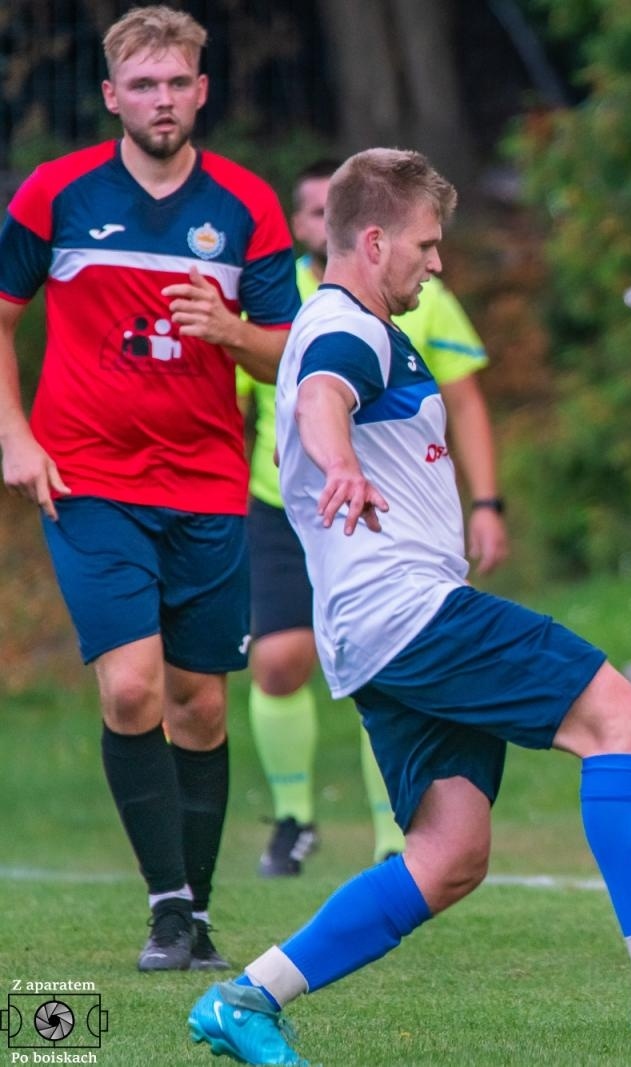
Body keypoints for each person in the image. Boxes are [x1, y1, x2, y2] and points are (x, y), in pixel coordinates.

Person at [186, 148, 631, 1064]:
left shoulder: (348, 320)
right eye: (426, 243)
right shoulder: (349, 328)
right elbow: (325, 394)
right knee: (619, 718)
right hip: (411, 612)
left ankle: (246, 996)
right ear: (373, 242)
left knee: (450, 852)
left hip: (375, 632)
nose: (439, 261)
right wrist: (336, 457)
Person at [0, 5, 298, 972]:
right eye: (144, 85)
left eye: (177, 83)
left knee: (199, 705)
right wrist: (13, 437)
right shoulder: (55, 194)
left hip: (210, 484)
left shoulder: (248, 204)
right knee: (131, 688)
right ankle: (169, 910)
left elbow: (284, 353)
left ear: (201, 90)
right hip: (89, 479)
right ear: (111, 97)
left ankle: (197, 913)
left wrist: (231, 330)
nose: (162, 100)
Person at [241, 159, 510, 877]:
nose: (435, 260)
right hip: (288, 502)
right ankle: (293, 818)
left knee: (383, 661)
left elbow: (466, 399)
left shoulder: (417, 293)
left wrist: (486, 500)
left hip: (368, 507)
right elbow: (312, 388)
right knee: (280, 660)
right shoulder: (284, 298)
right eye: (301, 210)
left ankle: (395, 832)